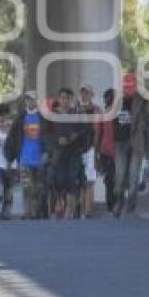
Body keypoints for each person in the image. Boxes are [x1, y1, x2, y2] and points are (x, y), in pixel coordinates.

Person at [6, 91, 49, 219]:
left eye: (33, 99)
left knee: (39, 188)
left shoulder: (43, 118)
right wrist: (10, 157)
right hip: (24, 158)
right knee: (26, 187)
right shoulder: (20, 118)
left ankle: (36, 211)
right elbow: (12, 138)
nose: (31, 102)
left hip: (39, 158)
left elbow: (49, 137)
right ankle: (27, 211)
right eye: (28, 99)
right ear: (26, 102)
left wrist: (47, 152)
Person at [113, 87, 149, 217]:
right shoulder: (116, 102)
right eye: (125, 87)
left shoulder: (141, 103)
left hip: (136, 144)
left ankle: (131, 206)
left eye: (130, 87)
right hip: (120, 144)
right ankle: (119, 201)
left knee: (134, 176)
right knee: (120, 175)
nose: (127, 90)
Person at [49, 88, 84, 219]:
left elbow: (83, 130)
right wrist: (56, 140)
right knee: (58, 179)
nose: (65, 101)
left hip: (74, 152)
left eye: (67, 98)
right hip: (58, 152)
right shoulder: (52, 115)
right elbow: (47, 133)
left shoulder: (76, 115)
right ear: (59, 99)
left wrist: (73, 137)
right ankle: (59, 202)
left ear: (71, 100)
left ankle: (70, 209)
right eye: (62, 98)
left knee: (72, 178)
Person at [76, 84, 101, 219]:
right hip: (77, 149)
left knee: (89, 181)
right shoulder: (76, 109)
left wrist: (95, 149)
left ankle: (88, 211)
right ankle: (79, 209)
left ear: (91, 95)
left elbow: (97, 131)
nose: (84, 95)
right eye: (83, 92)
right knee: (78, 180)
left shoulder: (95, 110)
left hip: (89, 148)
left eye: (87, 93)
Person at [99, 88, 117, 213]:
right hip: (108, 151)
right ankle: (112, 204)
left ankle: (112, 205)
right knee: (111, 179)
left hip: (110, 151)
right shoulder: (105, 115)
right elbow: (98, 133)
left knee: (111, 179)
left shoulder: (107, 114)